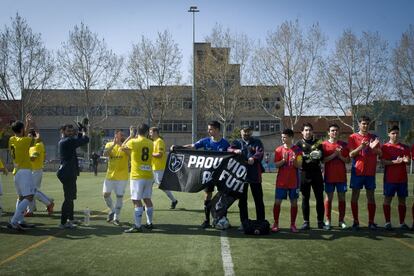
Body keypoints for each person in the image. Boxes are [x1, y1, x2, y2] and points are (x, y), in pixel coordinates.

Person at [176, 120, 230, 229]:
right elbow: (193, 146)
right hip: (208, 175)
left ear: (217, 130)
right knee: (207, 196)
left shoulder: (225, 143)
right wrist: (179, 147)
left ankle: (222, 218)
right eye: (208, 129)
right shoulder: (205, 141)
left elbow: (230, 155)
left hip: (221, 175)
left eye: (211, 129)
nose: (208, 131)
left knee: (223, 196)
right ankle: (206, 220)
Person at [228, 125, 266, 229]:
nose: (246, 133)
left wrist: (254, 158)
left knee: (258, 200)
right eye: (244, 131)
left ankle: (261, 221)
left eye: (248, 131)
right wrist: (234, 151)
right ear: (241, 132)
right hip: (241, 176)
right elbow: (229, 149)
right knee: (242, 201)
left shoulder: (257, 142)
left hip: (255, 175)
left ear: (251, 132)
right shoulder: (237, 142)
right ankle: (243, 222)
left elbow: (260, 153)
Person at [348, 115, 381, 231]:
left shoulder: (374, 137)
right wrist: (361, 147)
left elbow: (380, 153)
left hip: (370, 172)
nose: (365, 126)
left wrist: (373, 148)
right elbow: (351, 154)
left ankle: (371, 222)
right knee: (355, 195)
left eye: (367, 124)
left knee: (371, 196)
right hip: (357, 171)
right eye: (363, 123)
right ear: (359, 124)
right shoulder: (353, 137)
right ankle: (355, 222)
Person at [57, 124, 89, 229]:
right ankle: (63, 222)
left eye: (72, 131)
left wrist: (79, 131)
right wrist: (84, 131)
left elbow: (77, 141)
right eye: (68, 131)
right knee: (68, 198)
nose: (71, 132)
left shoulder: (66, 140)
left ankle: (70, 219)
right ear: (63, 131)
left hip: (68, 172)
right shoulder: (67, 141)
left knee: (70, 198)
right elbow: (85, 140)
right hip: (67, 173)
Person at [7, 114, 36, 231]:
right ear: (21, 130)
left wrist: (27, 124)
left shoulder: (11, 139)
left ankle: (20, 221)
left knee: (20, 197)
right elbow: (29, 139)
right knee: (29, 196)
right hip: (25, 171)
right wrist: (29, 124)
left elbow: (22, 136)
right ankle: (14, 221)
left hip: (16, 172)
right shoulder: (26, 140)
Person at [123, 124, 154, 233]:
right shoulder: (151, 143)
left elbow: (122, 147)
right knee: (147, 199)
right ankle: (150, 223)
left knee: (136, 200)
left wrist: (131, 136)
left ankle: (137, 225)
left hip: (137, 176)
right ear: (146, 132)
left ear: (137, 132)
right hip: (148, 175)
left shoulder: (133, 142)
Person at [272, 128, 302, 233]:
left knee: (294, 203)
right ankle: (275, 223)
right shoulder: (278, 150)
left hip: (294, 182)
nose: (283, 139)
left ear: (290, 137)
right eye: (282, 137)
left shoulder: (298, 150)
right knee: (277, 202)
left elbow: (300, 165)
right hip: (281, 181)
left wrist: (294, 162)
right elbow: (275, 165)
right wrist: (283, 160)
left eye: (284, 137)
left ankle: (293, 224)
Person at [381, 125, 411, 230]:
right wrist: (395, 161)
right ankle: (387, 222)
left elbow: (408, 161)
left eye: (397, 133)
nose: (395, 135)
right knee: (387, 199)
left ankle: (402, 223)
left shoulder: (405, 147)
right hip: (390, 179)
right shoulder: (384, 147)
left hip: (402, 179)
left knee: (402, 200)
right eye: (393, 133)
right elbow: (383, 162)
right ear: (389, 134)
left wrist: (407, 161)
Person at [296, 123, 324, 230]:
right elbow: (298, 161)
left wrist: (319, 154)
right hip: (304, 173)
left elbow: (322, 158)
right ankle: (306, 222)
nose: (308, 132)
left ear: (312, 131)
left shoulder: (318, 143)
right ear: (302, 132)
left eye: (309, 130)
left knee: (319, 198)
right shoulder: (298, 144)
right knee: (305, 198)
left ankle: (320, 222)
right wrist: (302, 158)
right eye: (306, 130)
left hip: (316, 173)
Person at [321, 123, 350, 230]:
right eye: (332, 130)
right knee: (328, 198)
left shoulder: (344, 145)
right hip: (329, 176)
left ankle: (341, 221)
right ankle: (327, 220)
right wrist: (334, 155)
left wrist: (340, 156)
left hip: (341, 176)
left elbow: (347, 160)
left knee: (342, 198)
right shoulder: (323, 145)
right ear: (328, 133)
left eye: (336, 130)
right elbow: (323, 160)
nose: (334, 132)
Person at [102, 129, 129, 226]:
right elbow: (105, 154)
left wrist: (120, 144)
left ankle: (116, 218)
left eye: (119, 135)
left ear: (122, 137)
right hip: (110, 175)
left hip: (122, 176)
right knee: (105, 194)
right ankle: (113, 210)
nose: (117, 137)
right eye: (116, 135)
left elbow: (130, 154)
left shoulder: (126, 145)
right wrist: (113, 144)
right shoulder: (109, 144)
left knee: (119, 197)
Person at [26, 130, 54, 216]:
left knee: (32, 191)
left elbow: (33, 158)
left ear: (35, 137)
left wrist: (22, 156)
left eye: (30, 136)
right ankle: (31, 209)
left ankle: (48, 203)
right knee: (31, 191)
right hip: (31, 170)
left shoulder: (37, 146)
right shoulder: (33, 146)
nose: (28, 138)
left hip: (36, 171)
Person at [149, 127, 178, 209]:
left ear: (155, 133)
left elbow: (160, 154)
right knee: (148, 187)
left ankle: (174, 200)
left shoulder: (159, 141)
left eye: (151, 132)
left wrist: (150, 154)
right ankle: (147, 204)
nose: (150, 134)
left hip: (159, 168)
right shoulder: (154, 142)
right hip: (153, 168)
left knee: (162, 186)